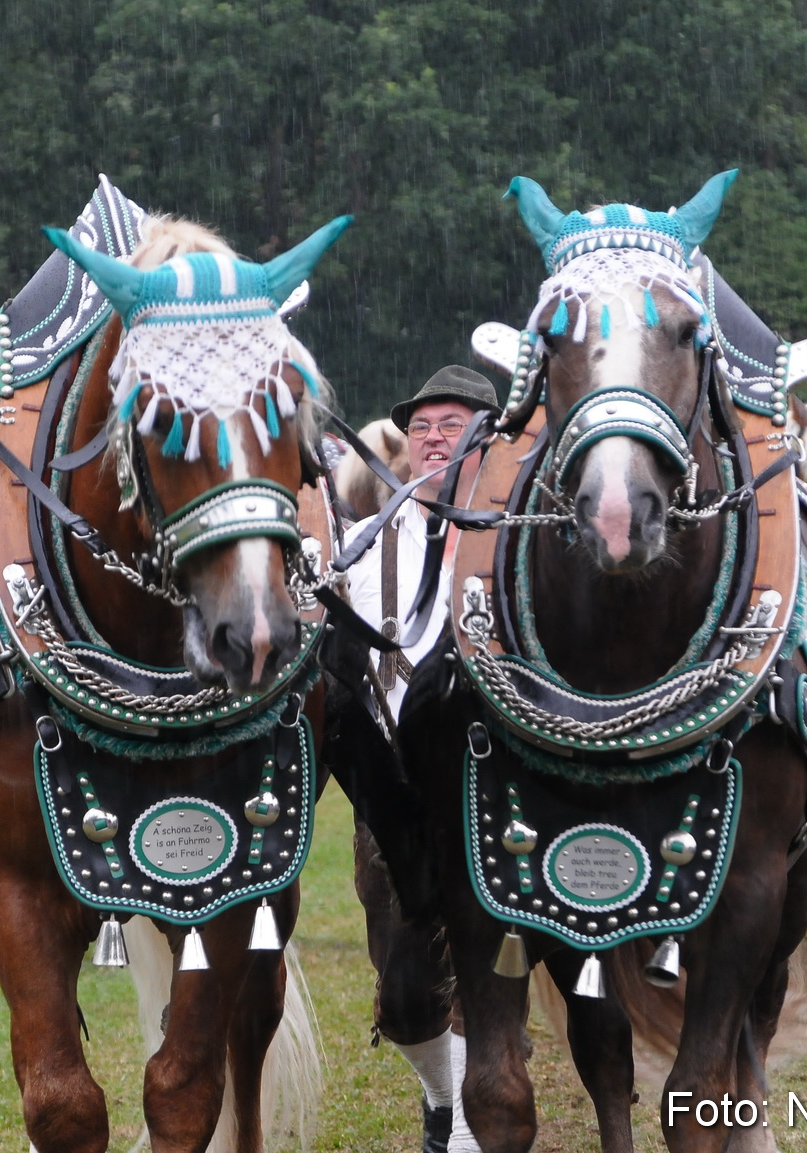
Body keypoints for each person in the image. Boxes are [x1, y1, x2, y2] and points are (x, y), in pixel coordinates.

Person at [342, 365, 499, 1153]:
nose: (433, 439)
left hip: (497, 788)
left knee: (491, 985)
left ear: (490, 440)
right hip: (397, 796)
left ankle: (469, 1126)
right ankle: (442, 1097)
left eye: (453, 424)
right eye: (422, 427)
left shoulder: (521, 536)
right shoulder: (366, 540)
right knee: (404, 997)